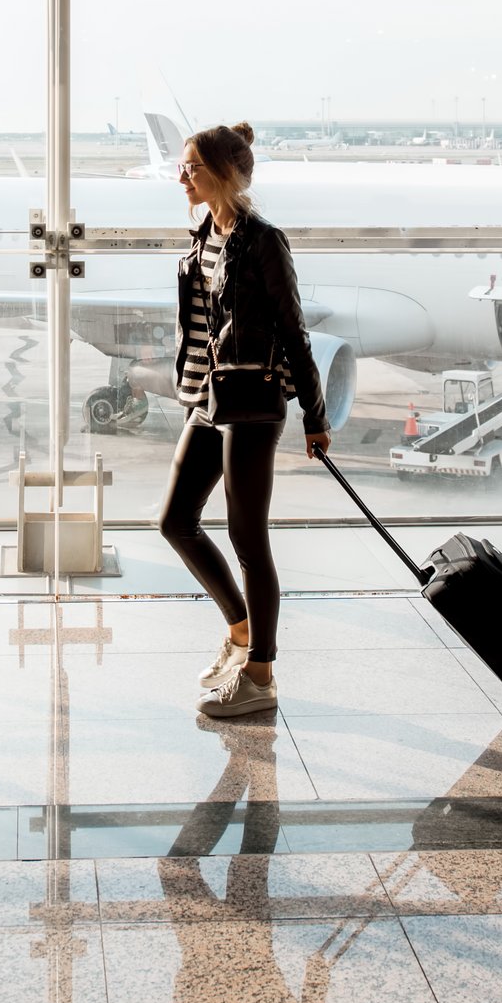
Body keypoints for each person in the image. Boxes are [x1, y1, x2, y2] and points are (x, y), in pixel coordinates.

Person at [162, 121, 330, 719]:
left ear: (225, 174)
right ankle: (240, 631)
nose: (182, 177)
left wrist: (315, 414)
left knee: (247, 538)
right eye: (182, 167)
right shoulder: (205, 235)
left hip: (254, 402)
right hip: (209, 399)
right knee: (176, 521)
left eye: (192, 168)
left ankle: (260, 675)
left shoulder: (262, 241)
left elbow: (294, 329)